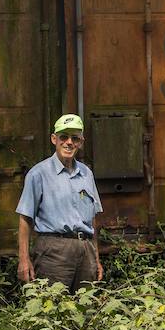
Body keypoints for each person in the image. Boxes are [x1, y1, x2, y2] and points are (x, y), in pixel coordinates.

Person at [16, 113, 104, 289]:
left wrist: (96, 258)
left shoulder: (87, 174)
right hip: (53, 250)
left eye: (75, 138)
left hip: (85, 249)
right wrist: (24, 259)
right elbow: (25, 219)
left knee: (85, 308)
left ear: (81, 141)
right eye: (64, 137)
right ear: (54, 139)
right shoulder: (38, 174)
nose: (69, 142)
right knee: (52, 307)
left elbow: (93, 220)